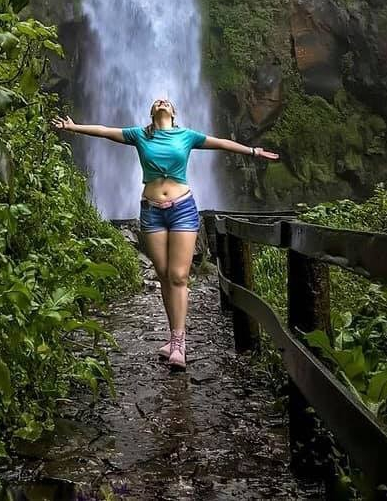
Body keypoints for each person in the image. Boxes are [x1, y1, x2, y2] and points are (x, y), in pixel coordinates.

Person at [51, 98, 279, 370]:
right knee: (163, 275)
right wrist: (74, 127)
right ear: (151, 112)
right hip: (151, 211)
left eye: (167, 102)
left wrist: (253, 151)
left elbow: (221, 142)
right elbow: (105, 130)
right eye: (157, 101)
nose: (161, 102)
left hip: (182, 208)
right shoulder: (140, 135)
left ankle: (180, 344)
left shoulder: (187, 136)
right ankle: (173, 338)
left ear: (174, 113)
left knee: (179, 276)